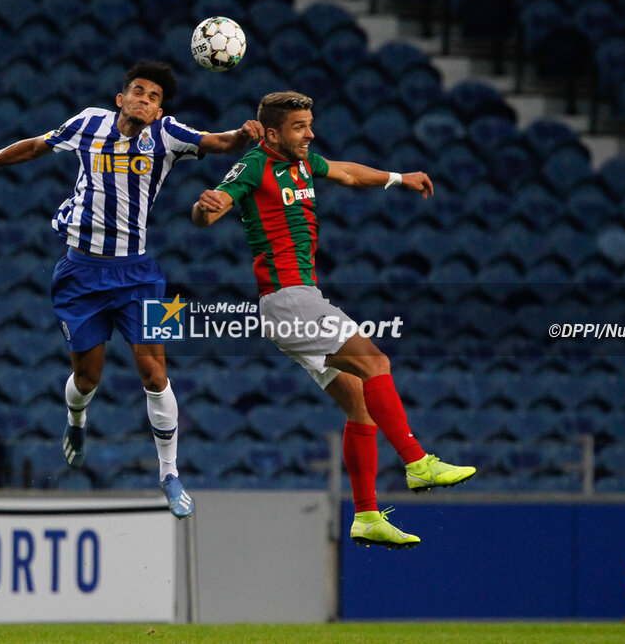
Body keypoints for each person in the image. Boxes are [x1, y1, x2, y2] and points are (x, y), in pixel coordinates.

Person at [0, 61, 263, 518]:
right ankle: (76, 420)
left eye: (155, 97)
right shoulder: (88, 123)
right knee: (88, 379)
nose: (146, 100)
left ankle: (169, 473)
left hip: (141, 275)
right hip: (80, 275)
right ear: (120, 98)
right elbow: (35, 147)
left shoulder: (166, 135)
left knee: (155, 374)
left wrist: (244, 136)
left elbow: (220, 143)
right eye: (138, 92)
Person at [192, 91, 476, 548]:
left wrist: (399, 177)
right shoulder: (253, 165)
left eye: (310, 124)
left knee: (360, 401)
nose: (310, 134)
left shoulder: (302, 162)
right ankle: (417, 461)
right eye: (300, 127)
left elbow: (347, 172)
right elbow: (215, 207)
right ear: (271, 133)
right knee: (376, 363)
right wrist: (204, 210)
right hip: (289, 300)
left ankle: (366, 514)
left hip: (293, 301)